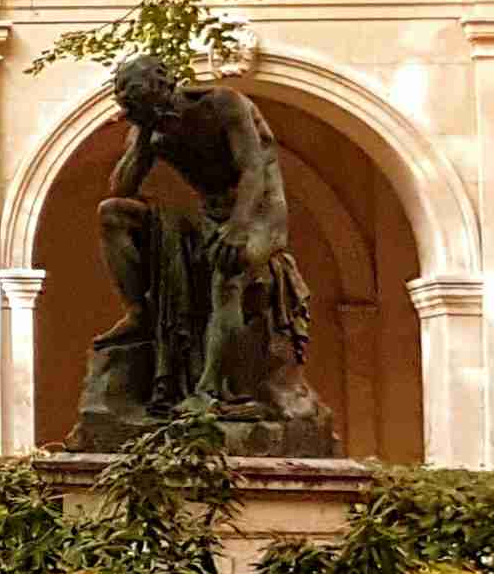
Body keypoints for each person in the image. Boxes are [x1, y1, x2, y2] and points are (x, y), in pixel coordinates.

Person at [85, 52, 325, 440]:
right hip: (208, 215)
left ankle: (210, 391)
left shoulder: (222, 104)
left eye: (139, 100)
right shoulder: (151, 130)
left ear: (164, 88)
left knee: (228, 272)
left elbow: (251, 171)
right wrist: (144, 135)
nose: (132, 109)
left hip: (260, 213)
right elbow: (121, 188)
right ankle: (139, 312)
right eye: (127, 103)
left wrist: (239, 227)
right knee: (113, 213)